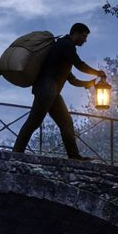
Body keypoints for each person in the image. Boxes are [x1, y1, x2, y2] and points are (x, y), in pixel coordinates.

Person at [12, 23, 105, 158]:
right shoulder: (66, 45)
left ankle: (74, 156)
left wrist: (88, 84)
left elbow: (71, 78)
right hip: (46, 90)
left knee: (66, 122)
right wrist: (98, 73)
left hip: (52, 92)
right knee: (33, 122)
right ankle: (16, 153)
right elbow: (79, 64)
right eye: (84, 36)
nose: (85, 40)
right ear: (76, 34)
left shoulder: (63, 49)